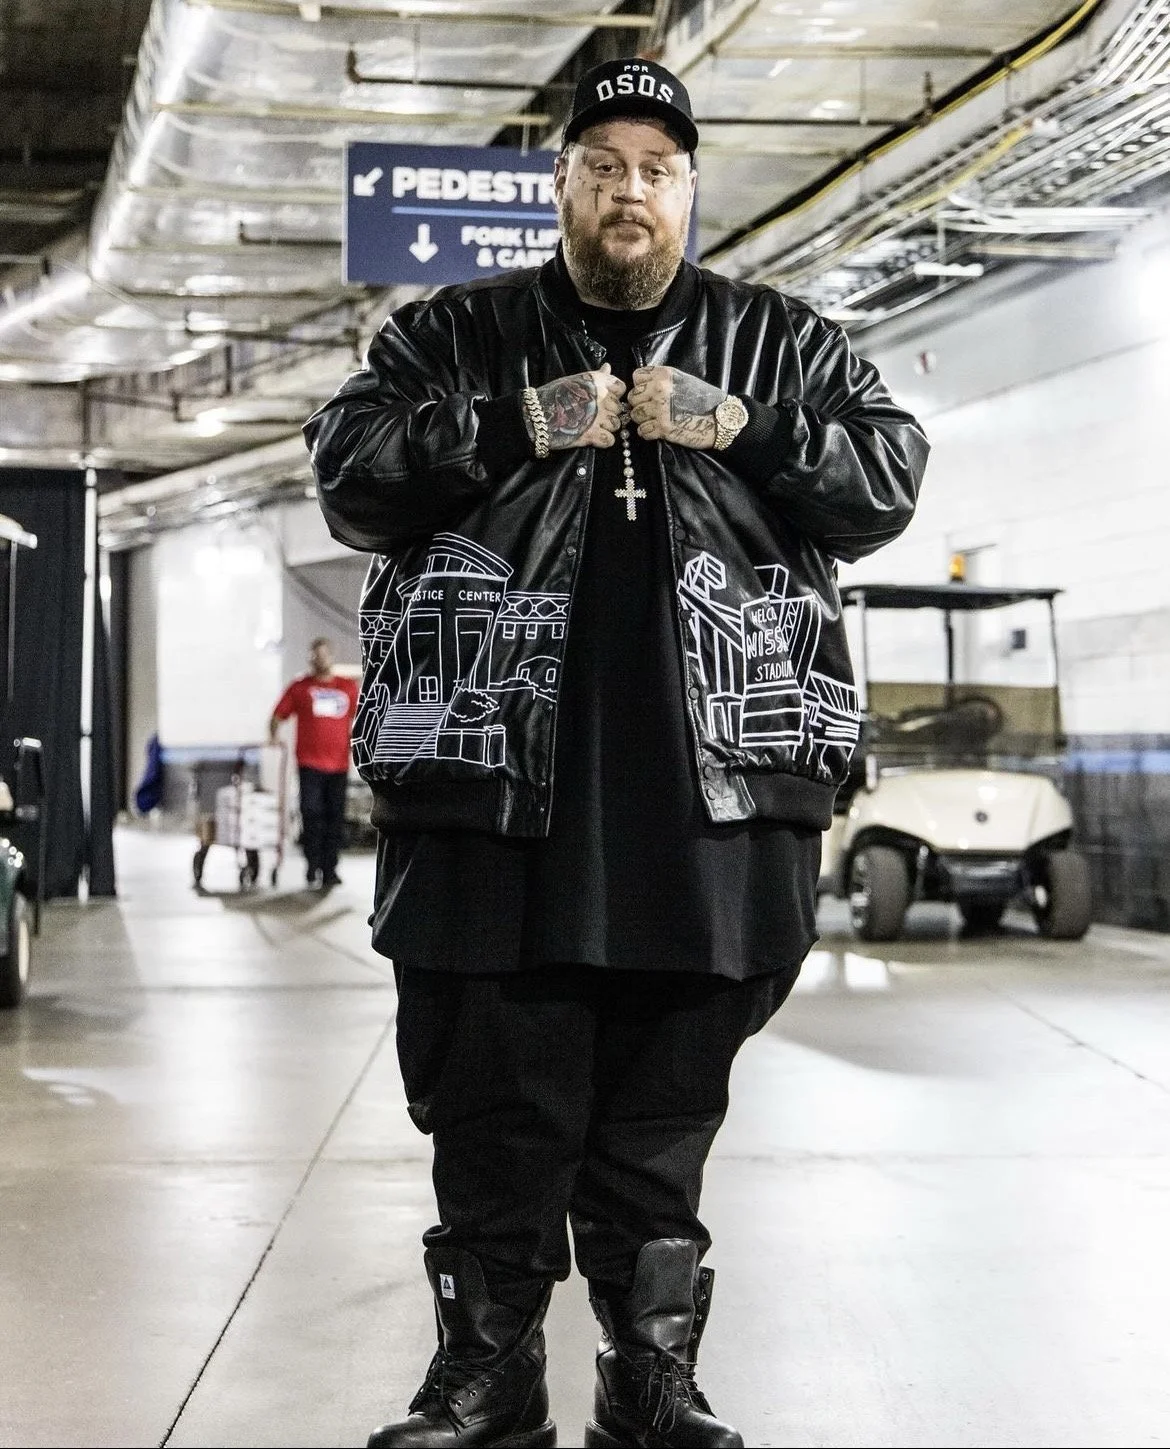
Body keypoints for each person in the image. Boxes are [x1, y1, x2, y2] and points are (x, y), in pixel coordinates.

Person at [304, 54, 929, 1449]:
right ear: (561, 189)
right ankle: (486, 1377)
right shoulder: (453, 335)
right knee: (492, 1111)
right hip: (487, 800)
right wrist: (511, 424)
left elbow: (887, 477)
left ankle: (646, 1379)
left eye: (654, 169)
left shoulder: (780, 342)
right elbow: (349, 473)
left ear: (690, 191)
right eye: (601, 170)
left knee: (662, 1118)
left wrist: (743, 426)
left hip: (713, 808)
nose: (627, 192)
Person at [269, 637, 358, 889]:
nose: (320, 660)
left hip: (339, 764)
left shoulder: (347, 687)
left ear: (331, 657)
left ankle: (330, 869)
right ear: (311, 659)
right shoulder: (300, 688)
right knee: (312, 813)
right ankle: (312, 864)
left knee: (335, 817)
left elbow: (360, 717)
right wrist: (273, 736)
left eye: (323, 655)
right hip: (310, 764)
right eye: (315, 656)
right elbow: (278, 715)